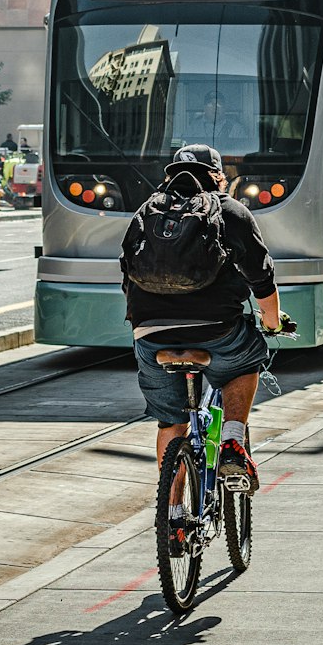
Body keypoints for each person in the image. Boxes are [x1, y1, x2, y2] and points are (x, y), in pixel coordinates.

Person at [121, 143, 282, 494]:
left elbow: (127, 273)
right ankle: (234, 444)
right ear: (218, 178)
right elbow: (261, 278)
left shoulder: (147, 211)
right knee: (245, 363)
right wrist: (272, 323)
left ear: (170, 178)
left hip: (151, 334)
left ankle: (174, 512)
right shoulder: (231, 211)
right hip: (217, 331)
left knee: (170, 423)